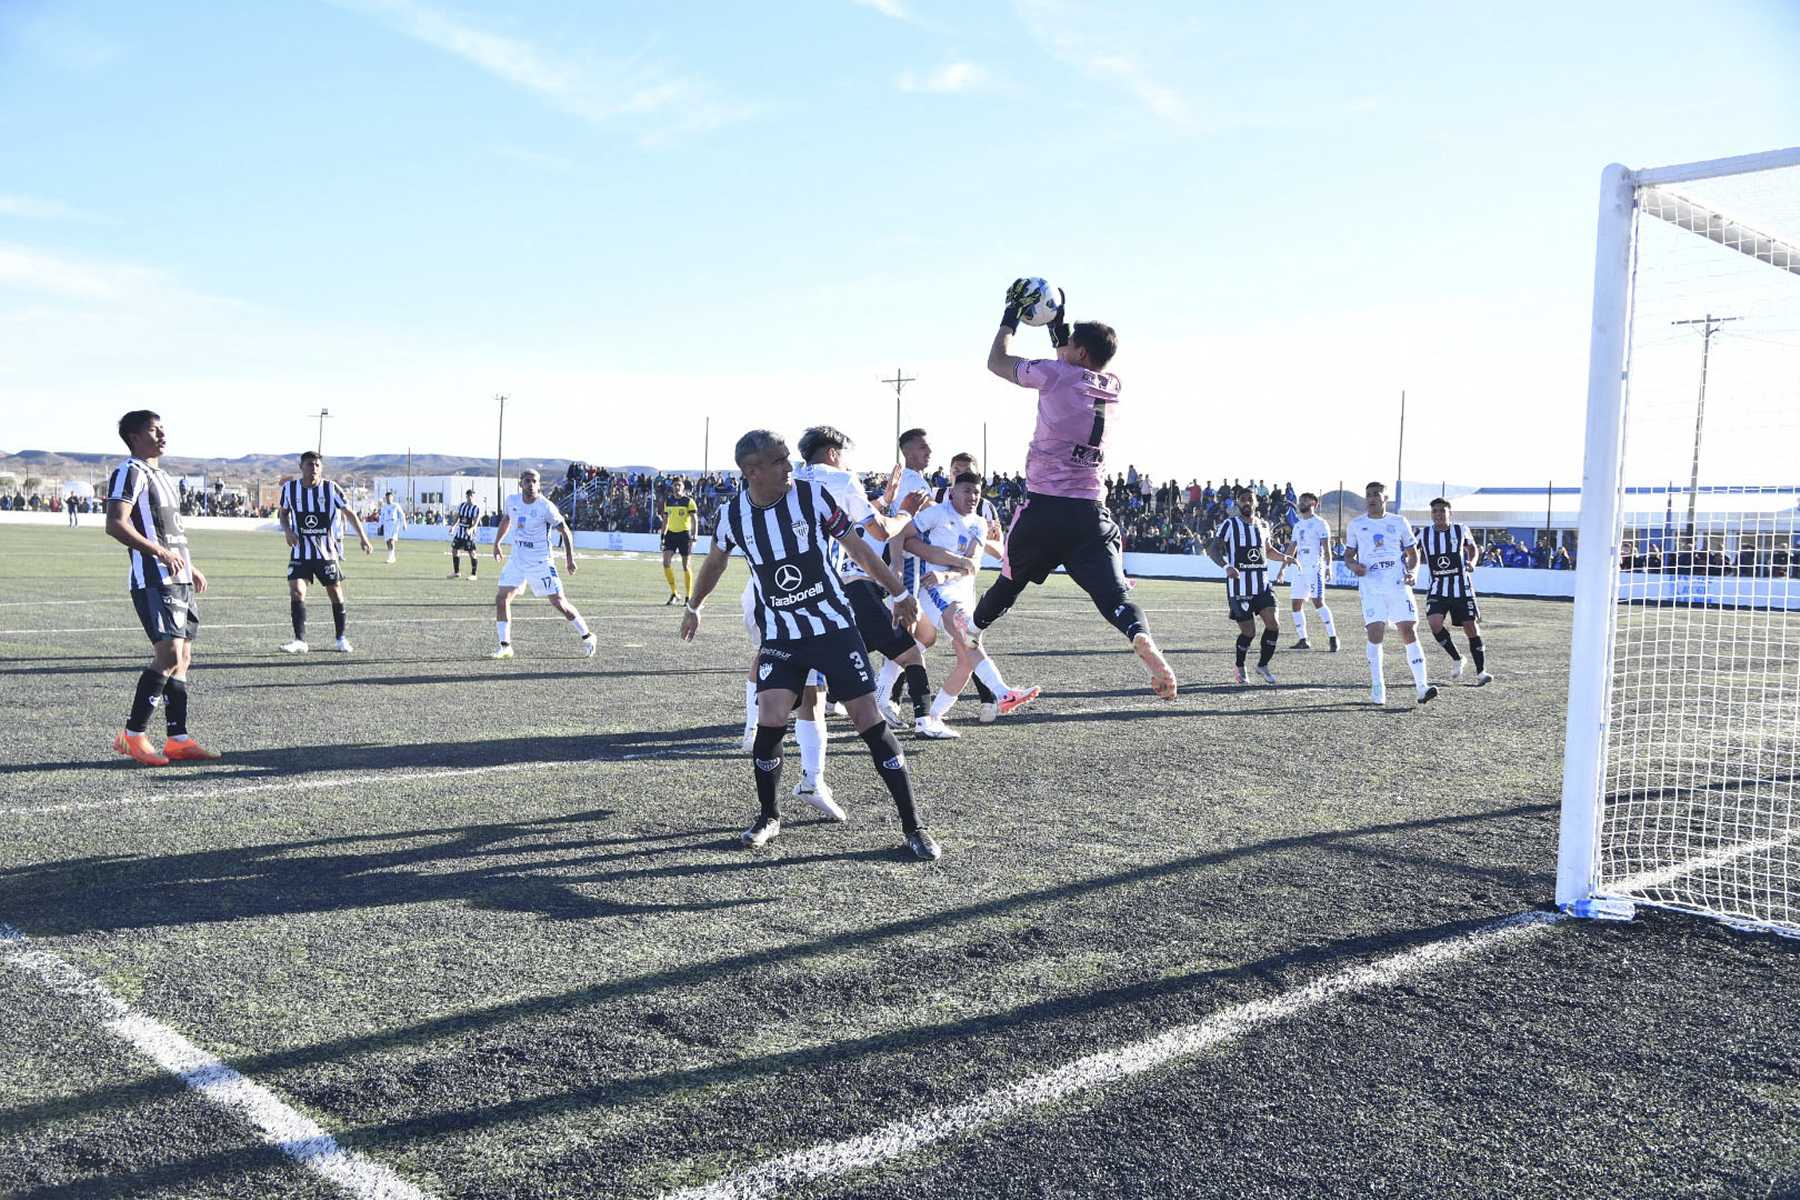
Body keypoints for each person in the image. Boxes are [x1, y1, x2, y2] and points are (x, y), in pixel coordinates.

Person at [681, 429, 940, 861]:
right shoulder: (732, 515)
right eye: (780, 461)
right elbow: (715, 561)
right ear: (753, 471)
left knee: (868, 722)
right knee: (769, 723)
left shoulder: (812, 497)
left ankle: (913, 826)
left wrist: (899, 593)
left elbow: (859, 549)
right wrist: (694, 606)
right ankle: (769, 815)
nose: (789, 467)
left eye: (788, 458)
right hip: (781, 636)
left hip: (833, 629)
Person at [976, 279, 1177, 699]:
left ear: (1080, 352)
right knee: (1114, 595)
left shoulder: (1053, 375)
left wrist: (1010, 316)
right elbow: (1070, 360)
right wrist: (1060, 326)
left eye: (1068, 343)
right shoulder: (1112, 385)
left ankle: (970, 629)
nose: (1061, 346)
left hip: (1045, 507)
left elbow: (997, 362)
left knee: (1008, 584)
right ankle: (1140, 636)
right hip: (1091, 511)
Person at [788, 425, 936, 807]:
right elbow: (881, 533)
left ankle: (800, 776)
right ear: (834, 452)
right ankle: (908, 809)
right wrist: (904, 511)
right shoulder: (840, 478)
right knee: (862, 702)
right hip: (831, 592)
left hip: (779, 592)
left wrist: (880, 502)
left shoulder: (788, 478)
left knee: (801, 689)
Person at [105, 411, 220, 765]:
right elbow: (115, 524)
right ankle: (133, 735)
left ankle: (178, 739)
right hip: (152, 577)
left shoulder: (165, 477)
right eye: (155, 430)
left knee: (183, 658)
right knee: (168, 654)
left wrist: (189, 565)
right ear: (135, 436)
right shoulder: (130, 471)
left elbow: (169, 531)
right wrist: (159, 553)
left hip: (178, 576)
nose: (163, 435)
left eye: (163, 429)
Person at [903, 472, 1040, 726]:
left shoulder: (979, 522)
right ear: (952, 491)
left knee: (965, 660)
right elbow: (905, 538)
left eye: (977, 492)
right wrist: (947, 569)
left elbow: (972, 563)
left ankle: (933, 715)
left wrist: (949, 573)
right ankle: (1002, 693)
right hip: (936, 590)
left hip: (960, 589)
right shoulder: (937, 514)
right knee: (964, 638)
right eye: (967, 491)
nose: (973, 497)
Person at [928, 451, 1007, 722]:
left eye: (967, 469)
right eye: (956, 469)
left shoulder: (984, 509)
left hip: (962, 585)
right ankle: (892, 699)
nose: (960, 472)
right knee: (913, 645)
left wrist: (979, 542)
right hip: (929, 586)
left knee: (967, 648)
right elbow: (911, 534)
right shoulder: (934, 498)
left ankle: (985, 700)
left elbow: (998, 549)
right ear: (950, 474)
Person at [1343, 481, 1438, 706]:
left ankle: (1422, 686)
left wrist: (1413, 572)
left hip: (1397, 585)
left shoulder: (1399, 522)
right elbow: (1348, 555)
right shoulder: (1356, 525)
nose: (1372, 498)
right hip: (1371, 587)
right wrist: (1354, 565)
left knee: (1408, 630)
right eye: (1368, 495)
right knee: (1376, 633)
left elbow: (1413, 554)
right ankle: (1378, 686)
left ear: (1385, 498)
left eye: (1376, 494)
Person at [490, 469, 595, 660]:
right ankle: (505, 646)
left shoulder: (546, 507)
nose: (530, 484)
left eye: (534, 481)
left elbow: (565, 531)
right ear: (521, 483)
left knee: (559, 603)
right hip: (517, 560)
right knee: (501, 598)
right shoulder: (512, 501)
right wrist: (497, 543)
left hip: (540, 562)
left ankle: (587, 636)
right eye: (527, 480)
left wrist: (569, 559)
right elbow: (507, 519)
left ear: (539, 485)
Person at [277, 451, 371, 653]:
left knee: (335, 593)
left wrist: (363, 538)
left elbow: (350, 513)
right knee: (296, 591)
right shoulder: (290, 489)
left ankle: (341, 638)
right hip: (300, 552)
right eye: (310, 464)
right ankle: (300, 641)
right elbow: (283, 514)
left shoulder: (330, 488)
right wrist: (287, 531)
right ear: (301, 467)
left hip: (326, 553)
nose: (314, 468)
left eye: (317, 465)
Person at [1208, 486, 1293, 685]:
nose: (1246, 502)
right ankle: (1240, 665)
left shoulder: (1263, 525)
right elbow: (1213, 550)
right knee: (1249, 632)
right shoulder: (1230, 525)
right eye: (1242, 499)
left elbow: (1268, 550)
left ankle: (1262, 664)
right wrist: (1227, 566)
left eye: (1250, 499)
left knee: (1273, 624)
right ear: (1238, 503)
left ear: (1256, 502)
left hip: (1262, 586)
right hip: (1239, 588)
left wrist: (1285, 557)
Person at [1422, 498, 1492, 686]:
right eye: (1435, 511)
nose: (1438, 514)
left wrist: (1472, 562)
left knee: (1471, 627)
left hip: (1462, 588)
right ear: (1432, 514)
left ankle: (1481, 672)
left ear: (1449, 513)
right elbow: (1410, 551)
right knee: (1434, 624)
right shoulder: (1424, 533)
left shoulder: (1460, 529)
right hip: (1438, 587)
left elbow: (1472, 548)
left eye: (1442, 511)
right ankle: (1456, 658)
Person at [1283, 491, 1339, 651]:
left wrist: (1329, 567)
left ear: (1314, 504)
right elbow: (1291, 547)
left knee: (1318, 602)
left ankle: (1333, 637)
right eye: (1301, 501)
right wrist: (1282, 568)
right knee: (1295, 604)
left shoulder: (1320, 523)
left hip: (1315, 568)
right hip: (1299, 569)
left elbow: (1327, 548)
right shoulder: (1298, 525)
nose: (1301, 503)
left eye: (1305, 501)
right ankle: (1303, 639)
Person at [659, 476, 700, 606]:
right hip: (671, 535)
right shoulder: (668, 501)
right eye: (675, 485)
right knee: (666, 563)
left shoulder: (689, 501)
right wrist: (662, 536)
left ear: (683, 487)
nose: (677, 487)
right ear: (672, 487)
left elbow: (694, 519)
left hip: (684, 535)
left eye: (679, 485)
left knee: (686, 565)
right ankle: (674, 593)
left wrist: (695, 535)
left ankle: (689, 597)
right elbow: (665, 520)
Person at [448, 489, 482, 579]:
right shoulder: (462, 506)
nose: (470, 497)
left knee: (472, 552)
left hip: (468, 534)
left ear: (474, 497)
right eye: (469, 496)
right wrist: (453, 527)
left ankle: (474, 574)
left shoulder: (476, 508)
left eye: (472, 496)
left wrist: (471, 529)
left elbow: (476, 521)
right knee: (454, 550)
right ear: (466, 496)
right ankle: (456, 572)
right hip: (460, 532)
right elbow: (457, 517)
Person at [377, 491, 408, 564]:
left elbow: (402, 515)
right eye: (387, 497)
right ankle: (391, 556)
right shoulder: (384, 507)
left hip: (394, 524)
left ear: (392, 498)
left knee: (391, 540)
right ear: (386, 498)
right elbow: (382, 517)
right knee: (387, 541)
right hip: (386, 524)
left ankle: (391, 557)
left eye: (390, 497)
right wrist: (379, 525)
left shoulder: (396, 505)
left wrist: (404, 524)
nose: (388, 499)